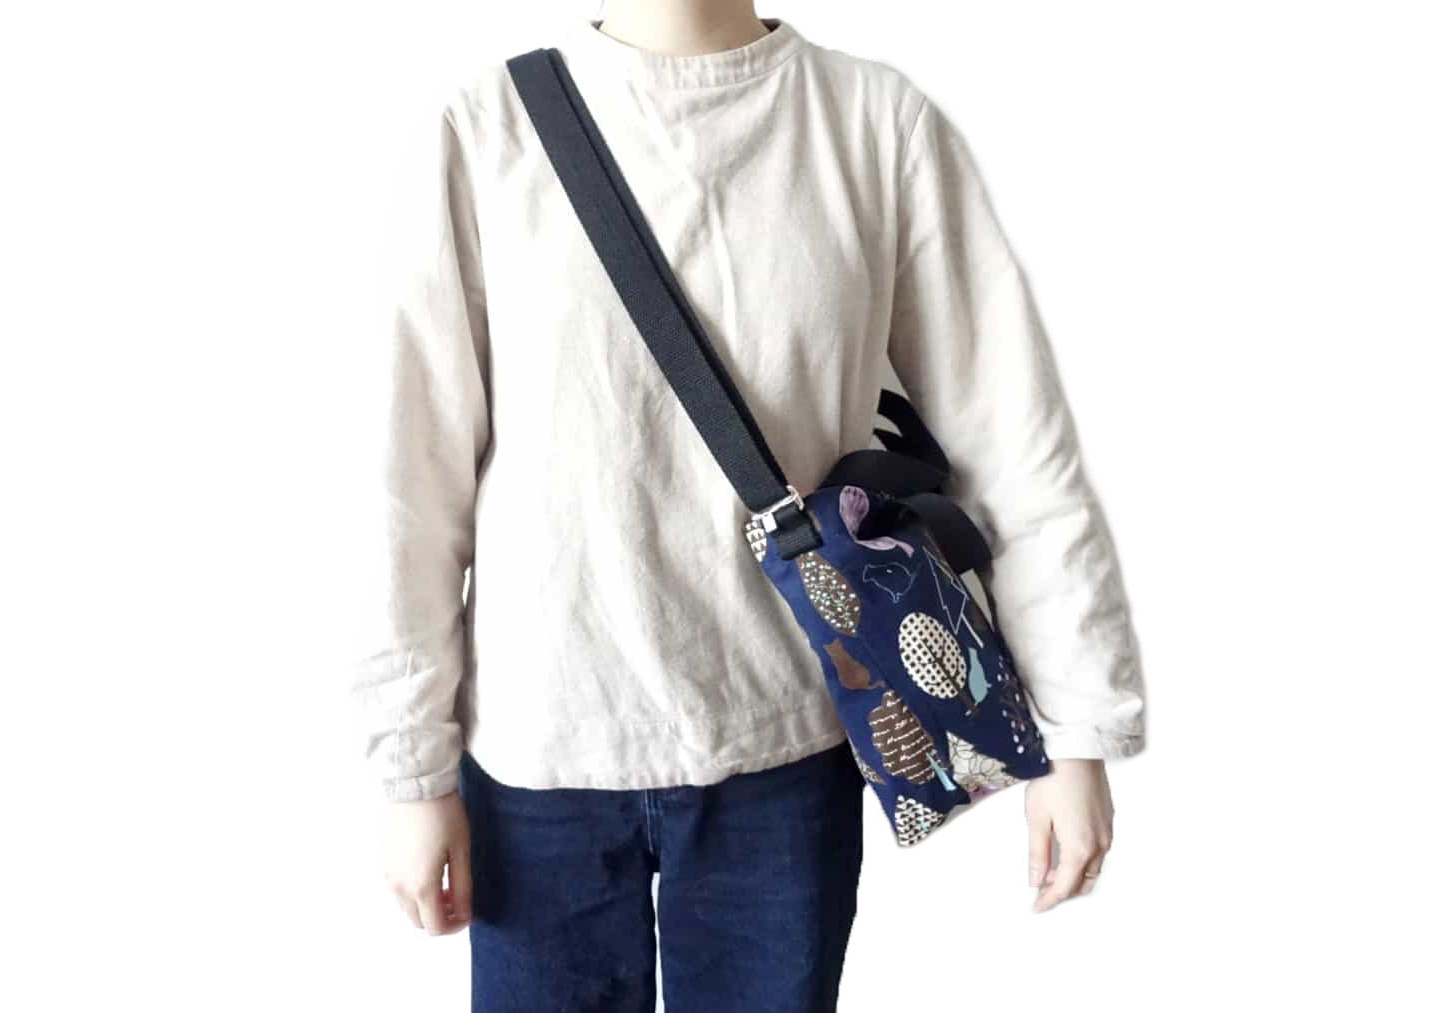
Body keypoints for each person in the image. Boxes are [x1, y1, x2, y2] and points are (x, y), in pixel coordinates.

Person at [352, 3, 1147, 1010]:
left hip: (785, 751)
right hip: (541, 754)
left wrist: (1077, 729)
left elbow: (1013, 441)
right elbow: (408, 483)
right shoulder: (483, 130)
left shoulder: (872, 122)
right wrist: (409, 766)